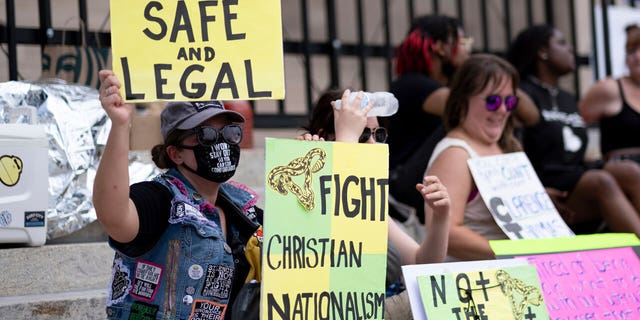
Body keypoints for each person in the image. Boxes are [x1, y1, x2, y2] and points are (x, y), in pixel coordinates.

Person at [94, 70, 263, 319]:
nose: (222, 143)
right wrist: (120, 125)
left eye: (229, 133)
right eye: (206, 135)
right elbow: (113, 215)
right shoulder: (160, 199)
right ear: (176, 154)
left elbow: (300, 256)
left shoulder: (243, 211)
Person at [299, 89, 451, 319]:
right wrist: (345, 142)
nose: (373, 144)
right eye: (361, 135)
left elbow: (422, 264)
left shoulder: (368, 198)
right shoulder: (302, 188)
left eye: (378, 135)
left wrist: (440, 217)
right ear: (324, 137)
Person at [507, 25, 640, 237]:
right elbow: (510, 149)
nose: (571, 49)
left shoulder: (567, 98)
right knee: (600, 181)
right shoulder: (522, 94)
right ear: (542, 52)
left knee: (630, 171)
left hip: (575, 176)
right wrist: (534, 191)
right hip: (546, 183)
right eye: (561, 43)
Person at [425, 54, 523, 261]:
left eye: (510, 101)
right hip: (475, 281)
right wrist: (517, 254)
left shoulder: (509, 146)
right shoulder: (455, 154)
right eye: (492, 101)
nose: (503, 110)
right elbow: (447, 234)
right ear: (462, 101)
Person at [387, 14, 471, 222]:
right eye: (463, 42)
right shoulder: (412, 84)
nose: (468, 50)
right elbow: (469, 109)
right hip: (405, 188)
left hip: (422, 185)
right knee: (466, 123)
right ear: (441, 48)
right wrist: (477, 71)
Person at [579, 24, 640, 163]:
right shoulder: (609, 89)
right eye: (631, 51)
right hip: (622, 172)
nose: (637, 56)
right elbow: (570, 123)